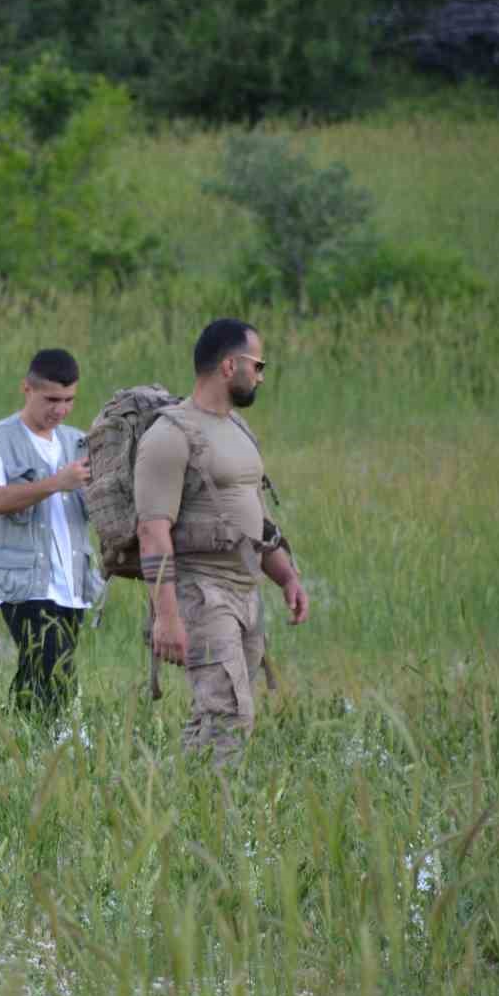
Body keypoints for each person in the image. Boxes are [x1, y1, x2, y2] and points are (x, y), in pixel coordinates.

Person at [134, 318, 308, 765]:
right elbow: (152, 532)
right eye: (259, 364)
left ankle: (185, 807)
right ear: (230, 366)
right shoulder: (170, 435)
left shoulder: (239, 431)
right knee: (227, 715)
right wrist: (166, 618)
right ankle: (213, 819)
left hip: (245, 589)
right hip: (201, 592)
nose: (262, 376)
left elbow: (256, 517)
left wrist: (286, 575)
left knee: (225, 716)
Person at [0, 348, 106, 716]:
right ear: (26, 389)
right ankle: (59, 743)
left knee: (37, 674)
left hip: (74, 582)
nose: (60, 410)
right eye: (52, 400)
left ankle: (21, 747)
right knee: (54, 670)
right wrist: (56, 482)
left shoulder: (78, 442)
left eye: (69, 400)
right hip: (23, 582)